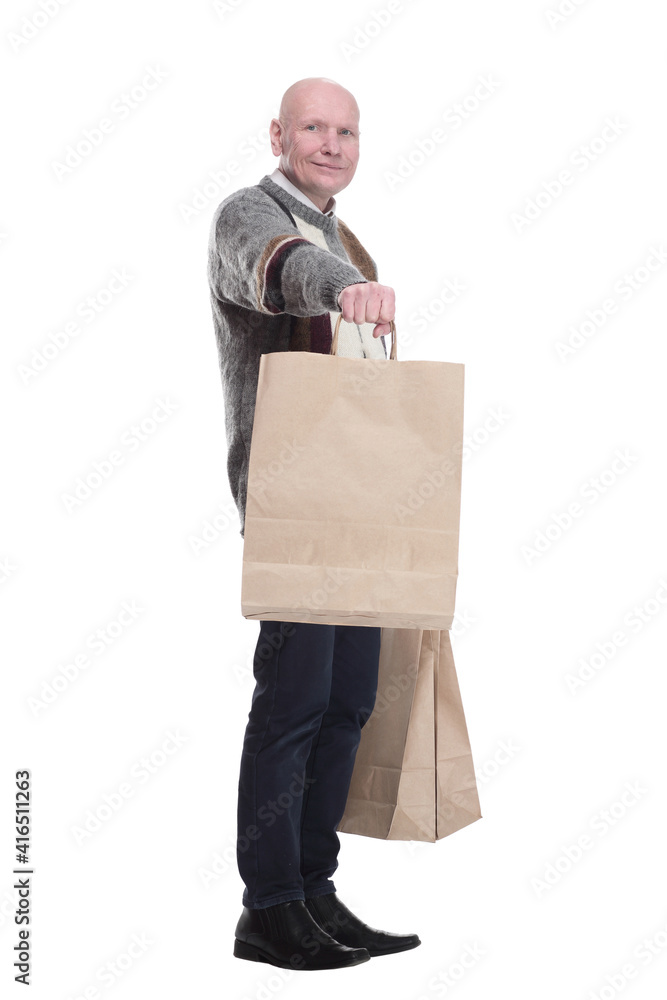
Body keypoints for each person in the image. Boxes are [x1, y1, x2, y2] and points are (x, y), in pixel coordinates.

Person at [207, 77, 421, 971]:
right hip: (291, 501)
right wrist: (349, 290)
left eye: (346, 132)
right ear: (278, 135)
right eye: (313, 128)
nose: (331, 145)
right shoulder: (248, 215)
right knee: (293, 703)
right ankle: (267, 908)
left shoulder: (345, 233)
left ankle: (313, 888)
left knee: (347, 705)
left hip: (353, 500)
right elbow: (284, 270)